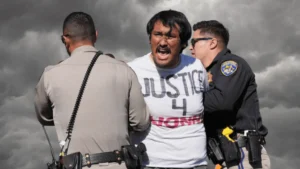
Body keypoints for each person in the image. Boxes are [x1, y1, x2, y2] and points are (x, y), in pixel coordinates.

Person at [34, 11, 150, 169]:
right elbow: (141, 122)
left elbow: (44, 117)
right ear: (95, 35)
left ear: (65, 39)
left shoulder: (50, 75)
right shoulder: (124, 70)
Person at [128, 10, 208, 169]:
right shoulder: (133, 70)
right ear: (150, 38)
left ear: (183, 43)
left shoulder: (196, 66)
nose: (163, 42)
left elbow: (206, 105)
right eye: (157, 34)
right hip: (149, 163)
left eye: (170, 36)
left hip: (195, 163)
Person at [190, 20, 270, 169]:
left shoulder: (230, 64)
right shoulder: (206, 72)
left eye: (194, 41)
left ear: (212, 43)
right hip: (225, 157)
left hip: (242, 154)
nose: (190, 47)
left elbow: (220, 102)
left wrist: (187, 94)